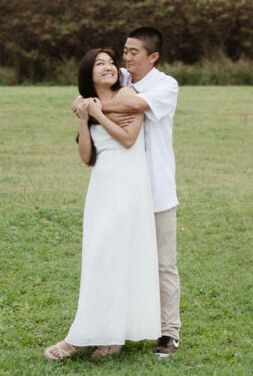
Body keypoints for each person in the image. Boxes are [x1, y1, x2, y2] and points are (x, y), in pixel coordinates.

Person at [44, 48, 160, 361]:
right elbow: (86, 157)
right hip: (102, 186)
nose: (109, 66)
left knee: (114, 255)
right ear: (87, 73)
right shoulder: (88, 104)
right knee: (101, 257)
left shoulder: (128, 94)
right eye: (100, 63)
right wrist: (85, 119)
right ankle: (106, 334)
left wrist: (97, 114)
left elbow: (127, 139)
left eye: (112, 62)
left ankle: (92, 337)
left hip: (128, 184)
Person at [99, 27, 181, 357]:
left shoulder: (165, 85)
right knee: (121, 260)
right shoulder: (119, 76)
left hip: (157, 188)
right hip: (121, 188)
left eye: (134, 52)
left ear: (153, 56)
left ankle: (169, 332)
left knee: (163, 265)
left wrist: (94, 107)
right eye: (125, 51)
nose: (127, 57)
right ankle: (116, 328)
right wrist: (85, 100)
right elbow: (89, 83)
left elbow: (134, 105)